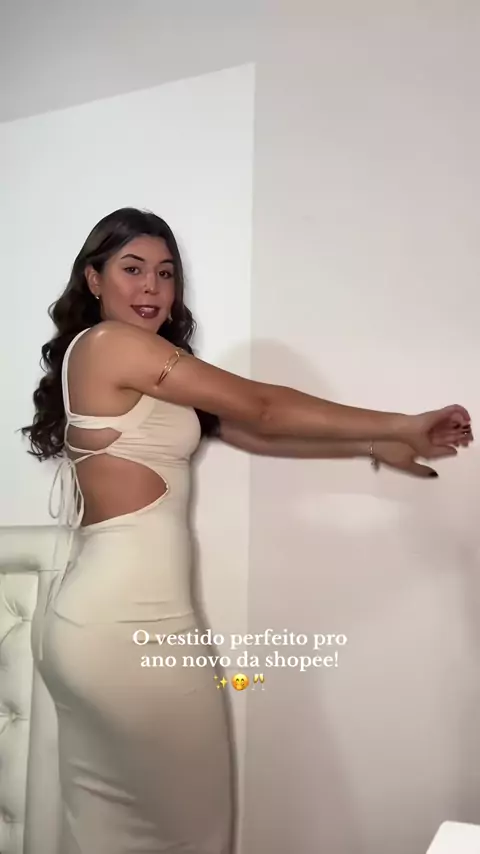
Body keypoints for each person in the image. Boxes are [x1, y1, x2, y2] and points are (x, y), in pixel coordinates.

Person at [21, 207, 472, 854]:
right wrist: (403, 422)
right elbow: (263, 406)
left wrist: (377, 445)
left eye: (166, 273)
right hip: (131, 628)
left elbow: (252, 430)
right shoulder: (112, 344)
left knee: (107, 832)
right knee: (190, 835)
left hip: (93, 624)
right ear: (94, 280)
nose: (152, 287)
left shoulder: (125, 360)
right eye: (132, 269)